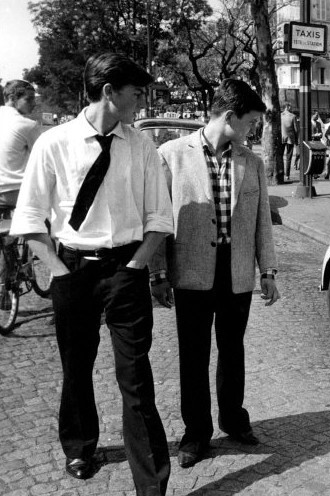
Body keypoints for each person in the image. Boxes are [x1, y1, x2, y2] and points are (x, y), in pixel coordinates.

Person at [10, 53, 173, 494]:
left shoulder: (141, 146)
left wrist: (137, 265)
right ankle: (80, 446)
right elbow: (29, 220)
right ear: (108, 92)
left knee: (136, 378)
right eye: (136, 94)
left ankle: (152, 482)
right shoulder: (53, 143)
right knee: (76, 368)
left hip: (126, 268)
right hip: (74, 269)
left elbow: (160, 218)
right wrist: (60, 273)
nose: (142, 102)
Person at [150, 79, 281, 469]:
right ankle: (196, 433)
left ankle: (233, 419)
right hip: (191, 271)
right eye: (252, 121)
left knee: (233, 349)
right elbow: (156, 218)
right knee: (193, 355)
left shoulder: (251, 161)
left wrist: (268, 270)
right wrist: (157, 273)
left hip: (236, 270)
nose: (254, 129)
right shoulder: (171, 155)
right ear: (229, 117)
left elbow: (262, 223)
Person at [0, 80, 42, 208]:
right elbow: (44, 157)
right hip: (15, 192)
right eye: (29, 100)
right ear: (12, 98)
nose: (34, 104)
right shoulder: (26, 125)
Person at [280, 103, 297, 181]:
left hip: (281, 137)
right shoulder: (293, 116)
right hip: (290, 138)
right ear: (287, 107)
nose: (291, 108)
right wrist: (296, 140)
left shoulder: (280, 115)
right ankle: (287, 175)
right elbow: (296, 129)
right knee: (288, 158)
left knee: (280, 156)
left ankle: (280, 172)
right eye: (290, 106)